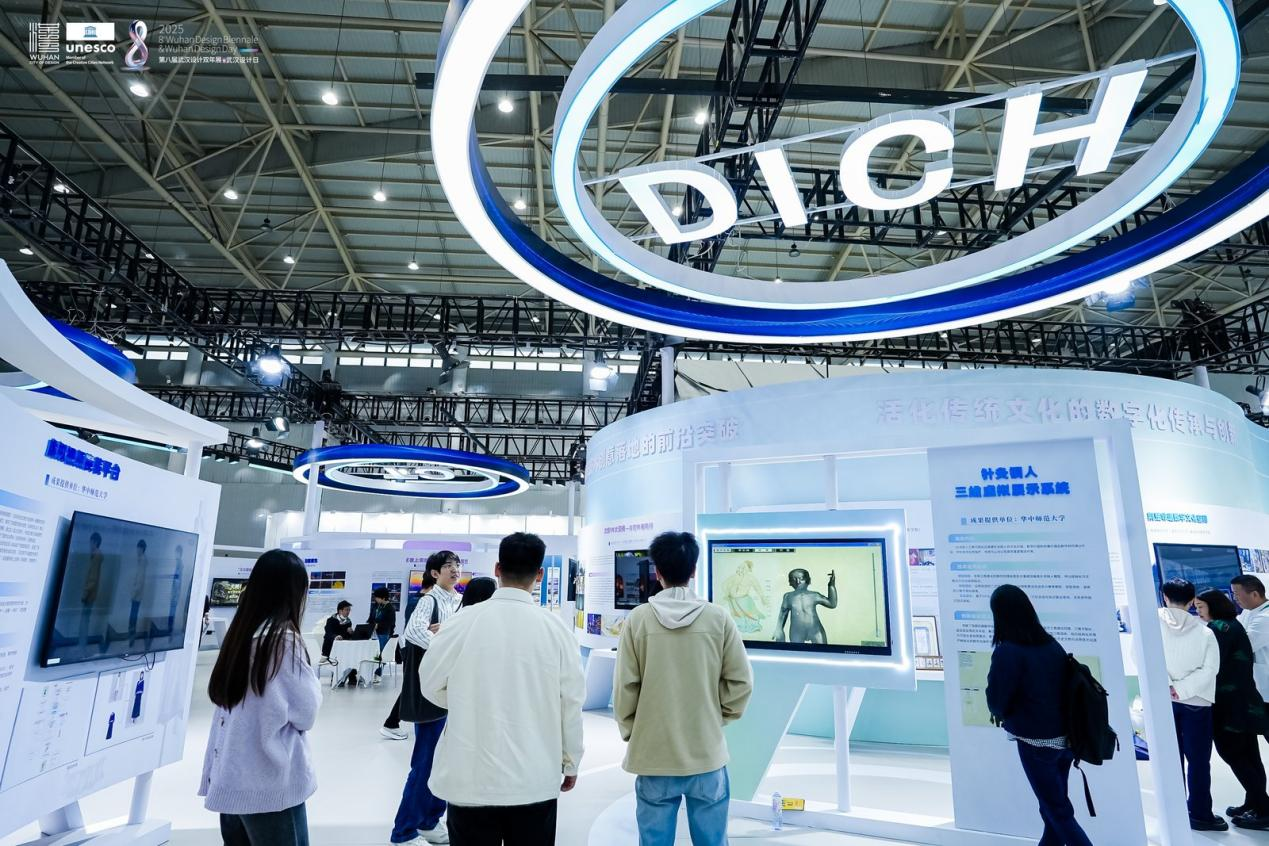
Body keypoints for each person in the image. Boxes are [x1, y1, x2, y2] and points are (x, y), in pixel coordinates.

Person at [419, 533, 584, 846]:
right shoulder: (557, 630)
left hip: (469, 779)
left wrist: (465, 698)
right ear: (539, 574)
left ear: (497, 569)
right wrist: (571, 760)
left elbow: (430, 684)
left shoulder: (461, 623)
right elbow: (571, 703)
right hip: (534, 779)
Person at [615, 531, 753, 846]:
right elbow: (741, 681)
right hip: (706, 753)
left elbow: (625, 687)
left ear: (657, 572)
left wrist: (634, 731)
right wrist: (718, 717)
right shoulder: (719, 618)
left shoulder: (638, 620)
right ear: (693, 571)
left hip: (653, 754)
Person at [200, 549, 321, 846]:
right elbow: (307, 713)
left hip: (231, 778)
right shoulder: (283, 642)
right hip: (268, 786)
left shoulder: (240, 636)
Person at [985, 584, 1093, 846]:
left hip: (1036, 742)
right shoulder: (1051, 644)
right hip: (1066, 740)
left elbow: (997, 700)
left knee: (1057, 811)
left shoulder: (1008, 651)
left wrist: (1000, 710)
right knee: (1052, 808)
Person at [389, 551, 464, 845]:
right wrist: (446, 641)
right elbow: (414, 633)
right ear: (434, 573)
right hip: (432, 694)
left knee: (445, 762)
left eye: (458, 565)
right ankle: (404, 831)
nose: (455, 570)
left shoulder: (460, 601)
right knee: (425, 763)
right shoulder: (428, 600)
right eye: (448, 566)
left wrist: (448, 632)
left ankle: (430, 820)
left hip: (455, 692)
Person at [1196, 588, 1269, 829]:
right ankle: (1255, 803)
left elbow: (1209, 664)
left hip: (1229, 706)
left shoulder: (1217, 629)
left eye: (1201, 607)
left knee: (1234, 755)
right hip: (1245, 701)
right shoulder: (1233, 625)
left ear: (1213, 606)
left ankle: (1264, 809)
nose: (1198, 611)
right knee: (1250, 755)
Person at [1160, 579, 1225, 831]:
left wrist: (1168, 687)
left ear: (1165, 597)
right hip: (1196, 702)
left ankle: (1172, 812)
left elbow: (1140, 656)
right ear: (1191, 601)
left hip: (1162, 701)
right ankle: (1200, 814)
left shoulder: (1150, 625)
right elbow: (1210, 669)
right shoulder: (1205, 631)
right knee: (1198, 761)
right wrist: (1182, 689)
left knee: (1169, 758)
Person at [1232, 575, 1269, 705]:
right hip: (1255, 684)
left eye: (1237, 594)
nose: (1235, 598)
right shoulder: (1247, 612)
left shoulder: (1266, 617)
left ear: (1254, 594)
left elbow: (1244, 644)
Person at [775, 567, 837, 644]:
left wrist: (831, 585)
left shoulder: (814, 595)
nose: (798, 582)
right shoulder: (788, 596)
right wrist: (779, 630)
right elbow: (783, 614)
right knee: (797, 651)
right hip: (797, 631)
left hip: (815, 629)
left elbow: (832, 604)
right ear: (790, 582)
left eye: (801, 578)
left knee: (822, 650)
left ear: (808, 580)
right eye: (794, 579)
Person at [721, 559, 766, 634]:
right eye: (740, 567)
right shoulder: (734, 577)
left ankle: (752, 627)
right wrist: (727, 593)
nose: (741, 569)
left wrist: (762, 598)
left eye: (743, 568)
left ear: (749, 569)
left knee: (749, 616)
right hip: (733, 601)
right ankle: (739, 628)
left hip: (745, 600)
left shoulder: (751, 578)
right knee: (737, 617)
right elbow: (724, 584)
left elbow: (758, 588)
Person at [368, 587, 397, 682]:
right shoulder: (376, 606)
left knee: (381, 654)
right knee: (372, 653)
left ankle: (378, 674)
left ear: (383, 598)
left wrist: (379, 625)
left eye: (377, 597)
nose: (375, 599)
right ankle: (367, 674)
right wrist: (371, 625)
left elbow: (390, 623)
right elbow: (371, 617)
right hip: (373, 633)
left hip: (384, 634)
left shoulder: (390, 608)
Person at [128, 539, 149, 644]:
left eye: (138, 548)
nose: (137, 550)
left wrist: (133, 594)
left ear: (141, 549)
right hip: (137, 594)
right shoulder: (141, 560)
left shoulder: (143, 561)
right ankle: (131, 638)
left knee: (133, 617)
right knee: (133, 616)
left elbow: (140, 581)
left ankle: (131, 639)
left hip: (137, 595)